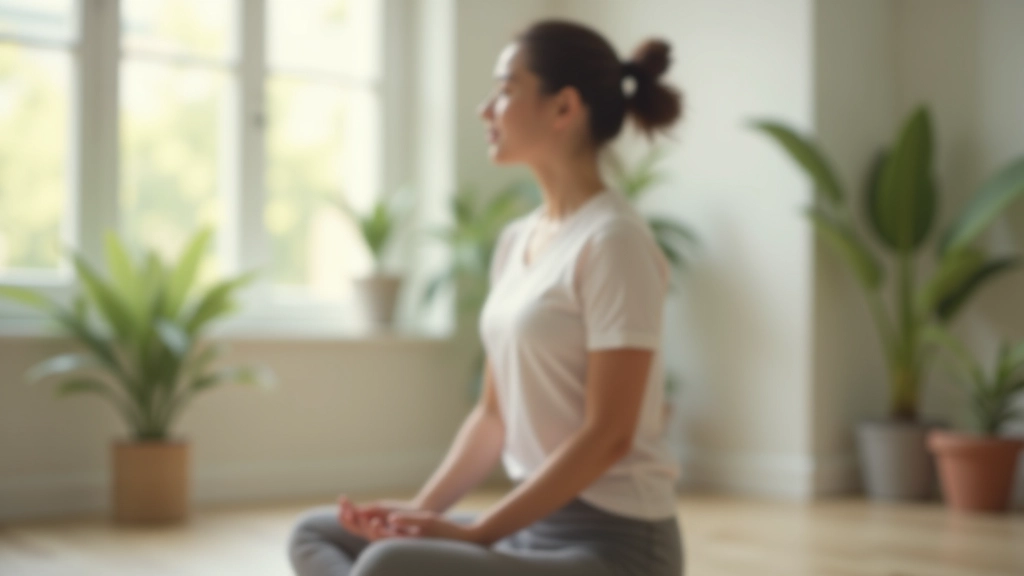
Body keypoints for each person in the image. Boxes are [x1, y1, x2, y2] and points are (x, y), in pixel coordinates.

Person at [288, 18, 685, 576]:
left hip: (612, 548)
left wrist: (477, 534)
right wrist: (420, 513)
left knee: (387, 567)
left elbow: (609, 437)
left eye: (504, 90)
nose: (486, 109)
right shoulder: (517, 241)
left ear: (563, 108)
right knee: (315, 534)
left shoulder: (613, 242)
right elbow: (492, 417)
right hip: (528, 531)